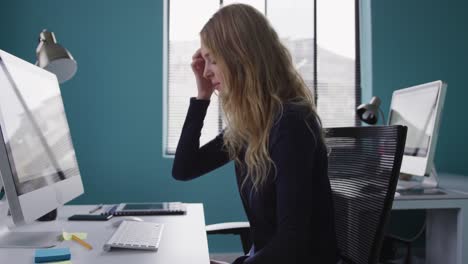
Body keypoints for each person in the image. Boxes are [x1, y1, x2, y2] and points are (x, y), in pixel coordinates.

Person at [172, 3, 339, 264]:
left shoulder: (291, 124)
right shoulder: (250, 128)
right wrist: (202, 96)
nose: (206, 71)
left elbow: (292, 244)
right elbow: (184, 169)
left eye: (213, 60)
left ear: (241, 58)